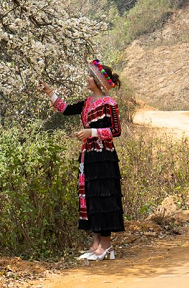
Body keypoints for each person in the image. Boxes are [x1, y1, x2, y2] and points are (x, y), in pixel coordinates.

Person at [40, 59, 124, 262]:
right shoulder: (87, 103)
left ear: (98, 81)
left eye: (90, 77)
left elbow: (115, 131)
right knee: (91, 196)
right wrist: (50, 92)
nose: (87, 79)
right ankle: (96, 244)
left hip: (103, 156)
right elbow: (65, 109)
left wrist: (91, 132)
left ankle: (106, 245)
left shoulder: (109, 104)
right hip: (88, 156)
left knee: (104, 196)